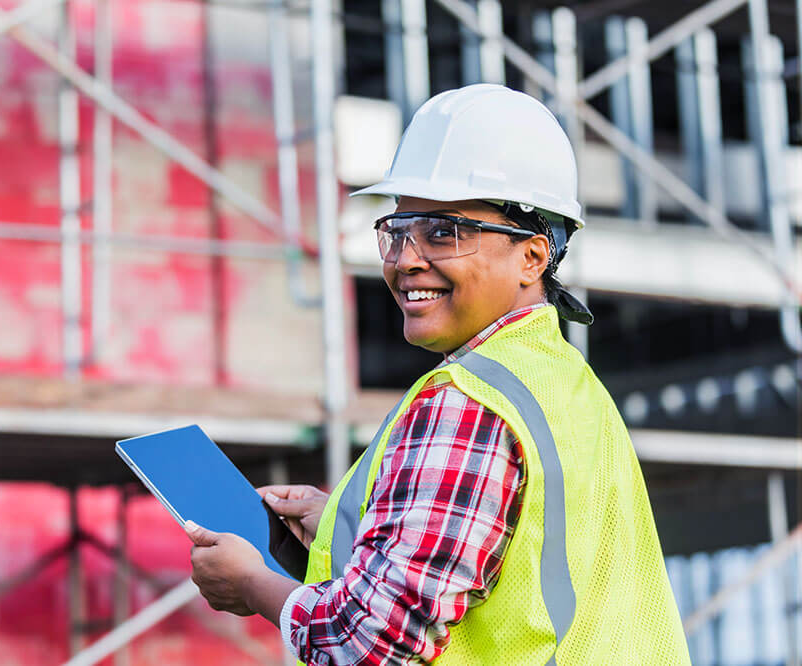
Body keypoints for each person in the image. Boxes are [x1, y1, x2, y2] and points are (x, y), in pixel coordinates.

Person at [184, 84, 691, 664]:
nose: (405, 259)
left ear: (533, 256)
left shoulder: (470, 400)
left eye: (444, 232)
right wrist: (344, 524)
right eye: (398, 232)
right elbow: (509, 568)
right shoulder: (566, 385)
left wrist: (252, 583)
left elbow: (369, 644)